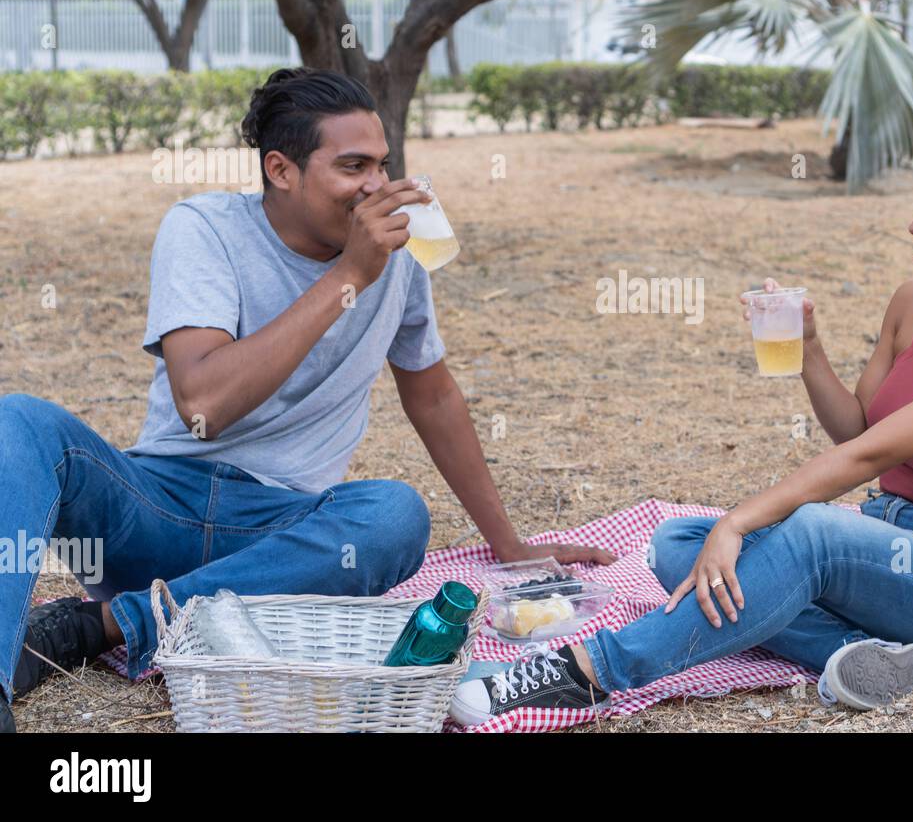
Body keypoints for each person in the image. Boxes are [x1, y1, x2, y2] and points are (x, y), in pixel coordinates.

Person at [0, 67, 612, 733]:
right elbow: (204, 405)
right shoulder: (205, 228)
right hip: (155, 510)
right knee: (21, 421)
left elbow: (432, 395)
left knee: (393, 516)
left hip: (283, 540)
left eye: (382, 165)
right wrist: (349, 274)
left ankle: (107, 627)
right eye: (353, 166)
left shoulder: (398, 259)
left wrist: (510, 542)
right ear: (281, 170)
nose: (376, 185)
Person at [450, 123, 913, 724]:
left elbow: (865, 462)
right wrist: (809, 352)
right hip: (895, 545)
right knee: (678, 546)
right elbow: (857, 431)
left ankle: (587, 673)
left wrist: (739, 521)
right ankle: (863, 659)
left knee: (797, 537)